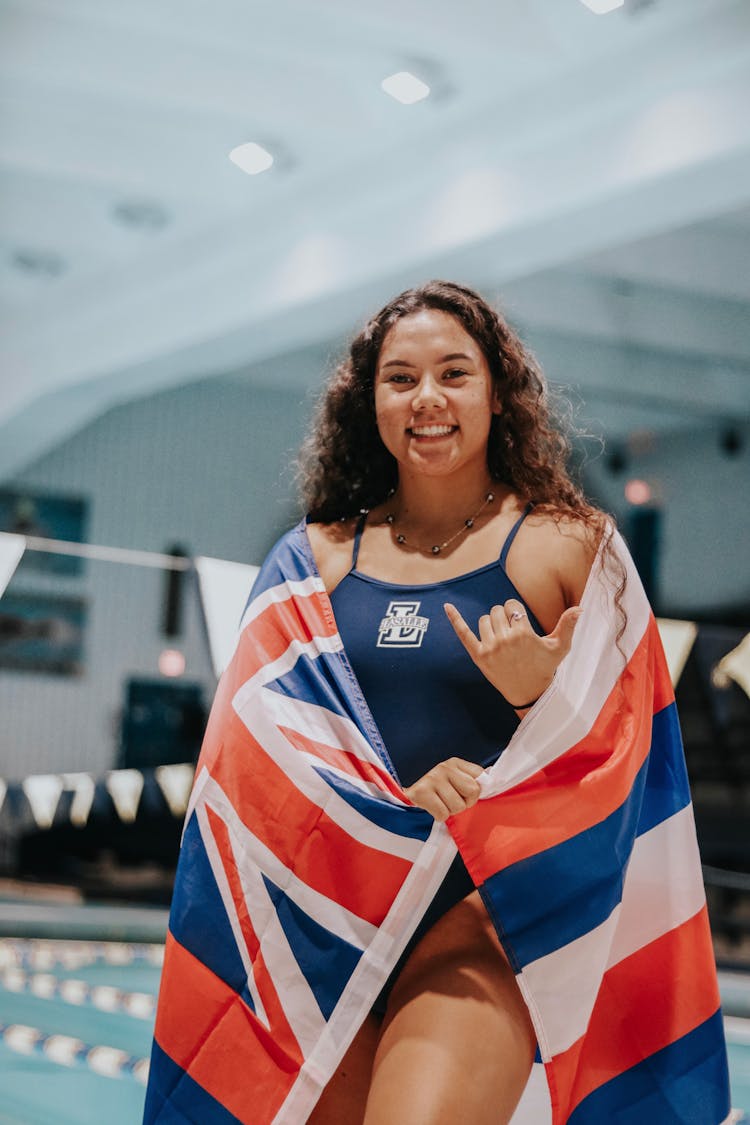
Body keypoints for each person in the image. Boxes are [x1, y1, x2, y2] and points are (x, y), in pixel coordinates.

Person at [144, 281, 730, 1125]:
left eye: (454, 374)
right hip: (323, 924)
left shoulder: (566, 549)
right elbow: (255, 757)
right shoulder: (314, 561)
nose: (428, 399)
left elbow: (629, 754)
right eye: (401, 378)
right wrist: (384, 804)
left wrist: (537, 700)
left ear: (497, 394)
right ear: (369, 401)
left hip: (476, 918)